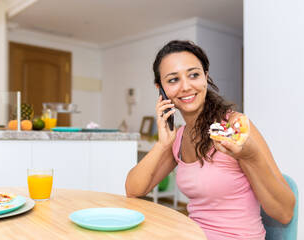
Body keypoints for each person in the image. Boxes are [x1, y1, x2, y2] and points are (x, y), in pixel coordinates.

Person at [125, 40, 295, 240]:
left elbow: (284, 213)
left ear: (205, 77)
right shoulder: (178, 138)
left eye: (194, 75)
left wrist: (250, 156)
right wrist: (162, 145)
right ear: (160, 88)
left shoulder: (235, 127)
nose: (186, 86)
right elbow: (134, 189)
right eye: (173, 80)